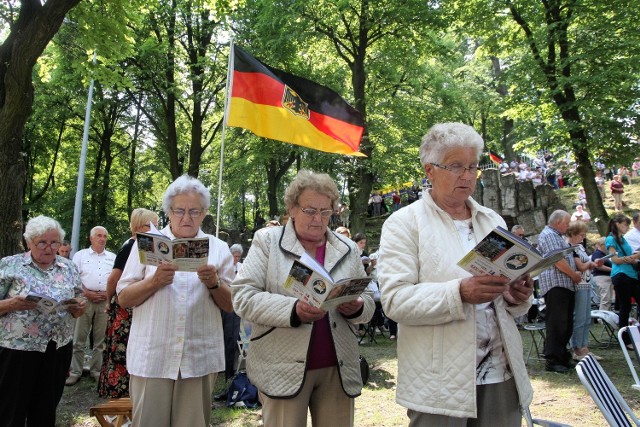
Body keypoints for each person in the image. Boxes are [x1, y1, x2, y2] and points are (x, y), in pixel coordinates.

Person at [378, 123, 533, 425]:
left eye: (473, 166)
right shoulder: (405, 224)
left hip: (499, 371)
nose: (467, 175)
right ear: (430, 170)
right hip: (439, 380)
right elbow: (395, 301)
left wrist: (515, 296)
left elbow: (503, 298)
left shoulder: (492, 220)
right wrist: (459, 293)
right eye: (456, 166)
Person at [231, 169, 375, 427]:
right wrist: (293, 310)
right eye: (310, 210)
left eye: (325, 212)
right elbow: (242, 296)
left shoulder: (347, 248)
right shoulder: (268, 241)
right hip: (280, 368)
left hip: (337, 367)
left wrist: (357, 306)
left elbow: (368, 298)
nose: (318, 219)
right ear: (292, 208)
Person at [117, 175, 235, 427]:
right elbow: (124, 298)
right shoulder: (147, 245)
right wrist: (154, 281)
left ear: (204, 213)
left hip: (199, 357)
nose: (186, 217)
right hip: (152, 356)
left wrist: (214, 283)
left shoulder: (218, 248)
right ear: (168, 211)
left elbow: (231, 305)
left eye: (194, 211)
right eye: (179, 210)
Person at [0, 215, 86, 425]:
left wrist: (78, 307)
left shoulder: (69, 268)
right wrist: (12, 304)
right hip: (17, 350)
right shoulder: (10, 265)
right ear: (29, 242)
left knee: (46, 410)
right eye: (42, 242)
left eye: (54, 242)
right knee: (11, 410)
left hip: (57, 348)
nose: (49, 248)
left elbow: (79, 299)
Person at [97, 208, 159, 398]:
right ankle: (121, 396)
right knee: (122, 352)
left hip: (135, 305)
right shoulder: (131, 245)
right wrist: (110, 303)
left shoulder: (146, 245)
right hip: (125, 308)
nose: (157, 229)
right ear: (139, 227)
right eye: (152, 225)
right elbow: (113, 279)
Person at [66, 226, 116, 385]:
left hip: (104, 300)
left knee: (100, 341)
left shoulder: (112, 257)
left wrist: (108, 294)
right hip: (84, 299)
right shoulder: (80, 256)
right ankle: (75, 372)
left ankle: (96, 371)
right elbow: (72, 278)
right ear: (91, 238)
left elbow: (116, 279)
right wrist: (86, 292)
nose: (102, 239)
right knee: (78, 339)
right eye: (99, 236)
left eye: (105, 236)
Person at [537, 210, 582, 373]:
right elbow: (557, 260)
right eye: (567, 222)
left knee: (566, 323)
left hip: (564, 284)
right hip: (556, 285)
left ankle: (562, 356)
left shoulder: (556, 235)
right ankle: (553, 359)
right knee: (557, 323)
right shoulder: (549, 235)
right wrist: (574, 275)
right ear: (557, 222)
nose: (569, 226)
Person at [566, 221, 603, 361]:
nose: (583, 237)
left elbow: (585, 265)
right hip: (578, 285)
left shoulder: (579, 247)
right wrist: (590, 264)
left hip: (586, 284)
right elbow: (580, 266)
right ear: (573, 233)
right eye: (581, 234)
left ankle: (584, 346)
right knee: (579, 318)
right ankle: (577, 347)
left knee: (586, 317)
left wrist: (593, 264)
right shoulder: (570, 247)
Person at [605, 214, 640, 345]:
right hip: (621, 275)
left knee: (628, 306)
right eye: (625, 224)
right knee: (625, 306)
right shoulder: (611, 239)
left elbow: (629, 255)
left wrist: (634, 256)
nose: (627, 227)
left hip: (631, 274)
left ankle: (631, 336)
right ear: (618, 224)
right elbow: (614, 259)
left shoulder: (623, 239)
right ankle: (625, 339)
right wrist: (629, 259)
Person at [221, 243, 244, 380]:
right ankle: (223, 368)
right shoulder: (225, 266)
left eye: (238, 257)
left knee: (233, 337)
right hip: (225, 303)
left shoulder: (242, 267)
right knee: (225, 335)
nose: (236, 259)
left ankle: (230, 369)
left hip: (236, 305)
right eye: (234, 256)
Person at [591, 237, 614, 311]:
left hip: (607, 278)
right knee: (605, 299)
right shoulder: (597, 253)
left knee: (609, 299)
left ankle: (607, 315)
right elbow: (598, 266)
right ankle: (602, 316)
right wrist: (613, 270)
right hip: (602, 278)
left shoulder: (604, 255)